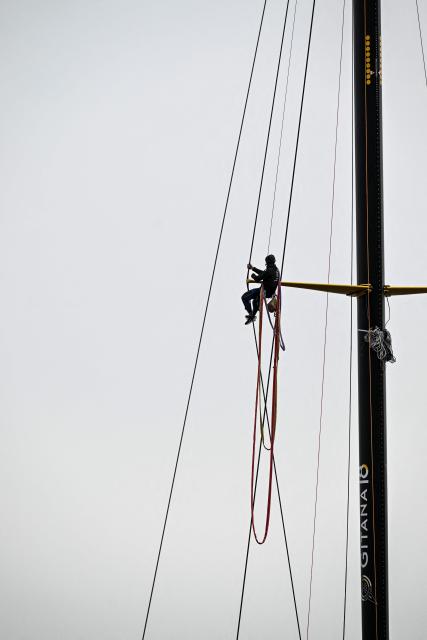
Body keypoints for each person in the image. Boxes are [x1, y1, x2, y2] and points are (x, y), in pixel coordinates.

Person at [242, 254, 280, 325]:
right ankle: (253, 315)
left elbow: (257, 279)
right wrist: (253, 268)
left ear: (268, 262)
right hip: (269, 292)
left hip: (264, 291)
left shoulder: (270, 270)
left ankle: (251, 315)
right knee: (255, 301)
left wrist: (253, 275)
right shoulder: (276, 270)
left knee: (244, 297)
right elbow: (264, 273)